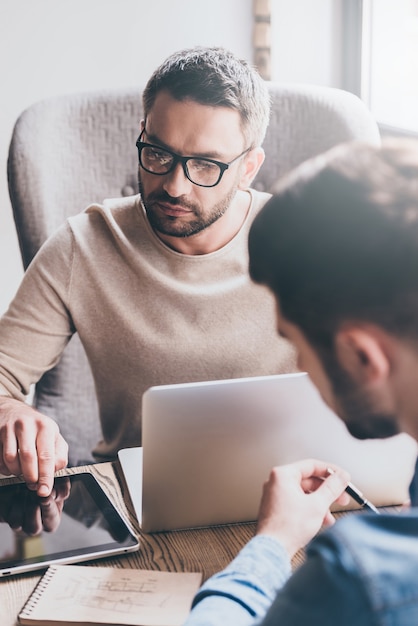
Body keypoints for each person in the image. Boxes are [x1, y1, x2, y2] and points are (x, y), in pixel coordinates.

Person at [0, 46, 296, 496]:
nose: (174, 185)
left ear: (248, 169)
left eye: (205, 165)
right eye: (158, 154)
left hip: (291, 496)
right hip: (142, 509)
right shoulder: (84, 244)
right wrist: (10, 413)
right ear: (142, 133)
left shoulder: (302, 244)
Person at [183, 137, 418, 625]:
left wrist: (272, 542)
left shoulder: (360, 576)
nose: (299, 365)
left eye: (296, 343)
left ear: (360, 355)